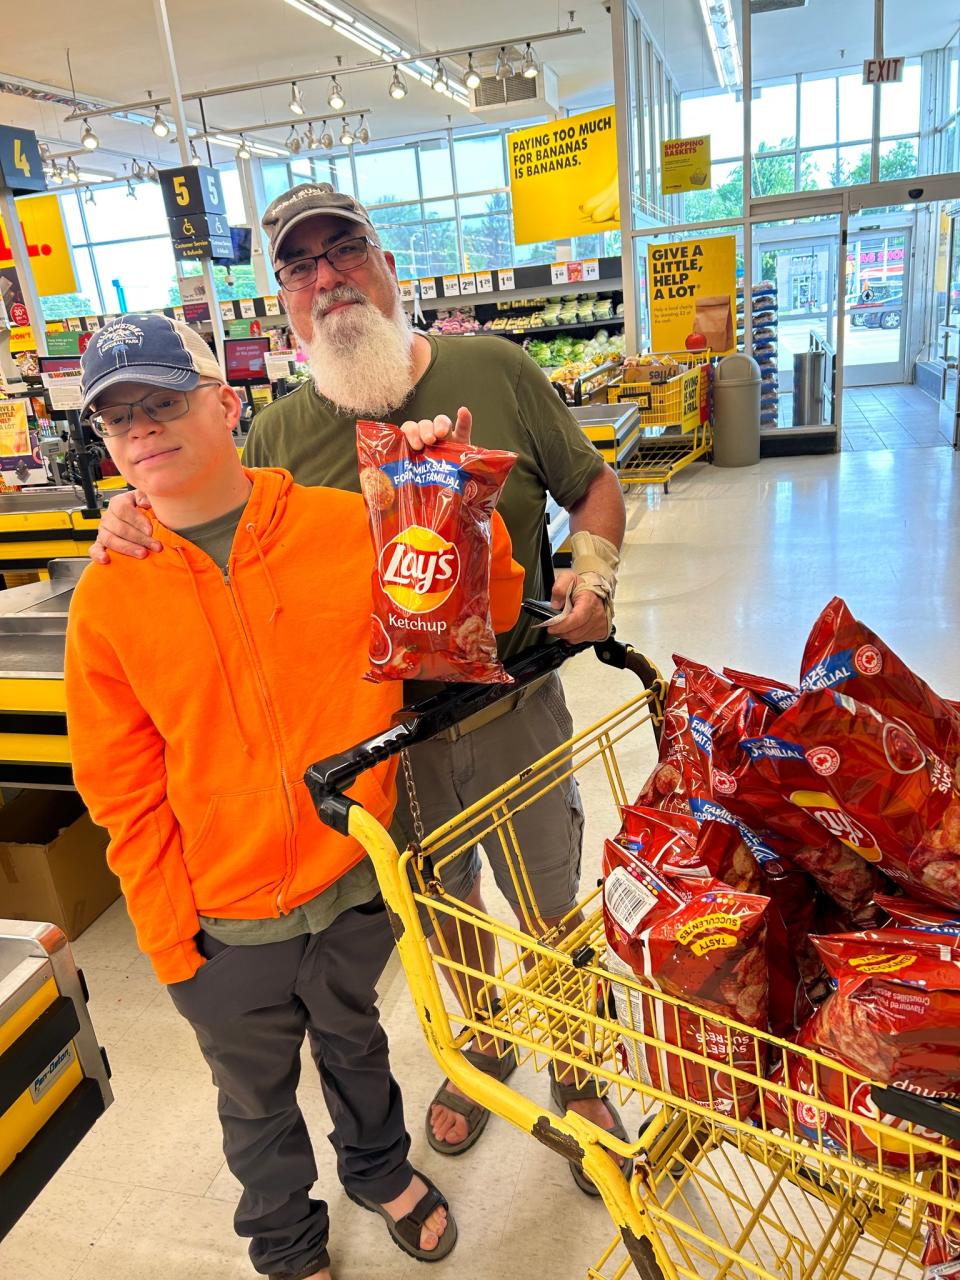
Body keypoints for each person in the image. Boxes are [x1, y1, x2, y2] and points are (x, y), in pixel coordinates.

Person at [89, 181, 628, 1178]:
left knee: (552, 902)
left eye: (345, 251)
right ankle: (487, 1049)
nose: (326, 277)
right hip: (385, 751)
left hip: (511, 708)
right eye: (299, 265)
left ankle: (583, 1064)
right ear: (285, 300)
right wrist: (128, 516)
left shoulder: (494, 366)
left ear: (388, 265)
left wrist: (591, 568)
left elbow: (592, 482)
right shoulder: (280, 435)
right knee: (445, 916)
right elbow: (210, 530)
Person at [66, 313, 524, 1279]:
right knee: (254, 1097)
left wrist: (444, 500)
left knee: (357, 1047)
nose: (143, 429)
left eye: (163, 401)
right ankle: (283, 1238)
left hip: (355, 881)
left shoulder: (341, 526)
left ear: (228, 405)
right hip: (221, 920)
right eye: (118, 419)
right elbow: (121, 785)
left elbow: (489, 613)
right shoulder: (110, 595)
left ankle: (380, 1171)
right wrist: (166, 938)